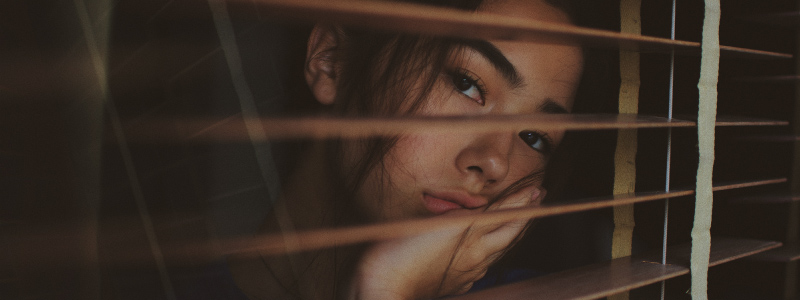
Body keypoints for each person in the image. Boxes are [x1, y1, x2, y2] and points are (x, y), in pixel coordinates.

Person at [227, 0, 583, 299]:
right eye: (467, 84)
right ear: (331, 61)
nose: (495, 163)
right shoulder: (175, 279)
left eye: (535, 136)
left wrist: (386, 287)